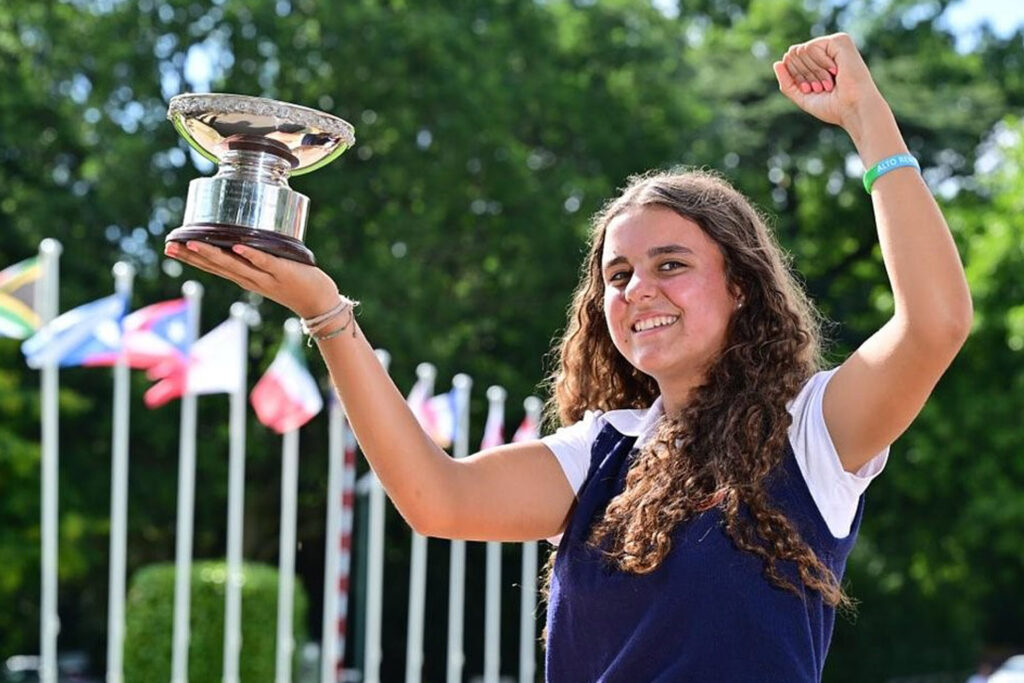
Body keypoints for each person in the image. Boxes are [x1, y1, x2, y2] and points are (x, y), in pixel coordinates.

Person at [166, 33, 972, 681]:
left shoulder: (813, 434)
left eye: (671, 264)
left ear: (741, 289)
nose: (637, 289)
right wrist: (326, 311)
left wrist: (869, 118)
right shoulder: (605, 449)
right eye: (616, 275)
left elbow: (935, 323)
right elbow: (435, 496)